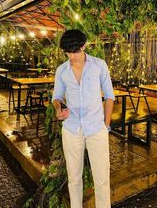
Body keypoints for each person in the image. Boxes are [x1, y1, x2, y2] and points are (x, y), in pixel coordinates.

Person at [52, 29, 115, 208]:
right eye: (68, 52)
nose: (73, 56)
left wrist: (106, 126)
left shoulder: (99, 65)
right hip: (72, 129)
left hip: (97, 128)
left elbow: (109, 96)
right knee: (73, 178)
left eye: (76, 51)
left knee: (102, 178)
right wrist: (59, 109)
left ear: (84, 45)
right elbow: (56, 97)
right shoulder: (62, 70)